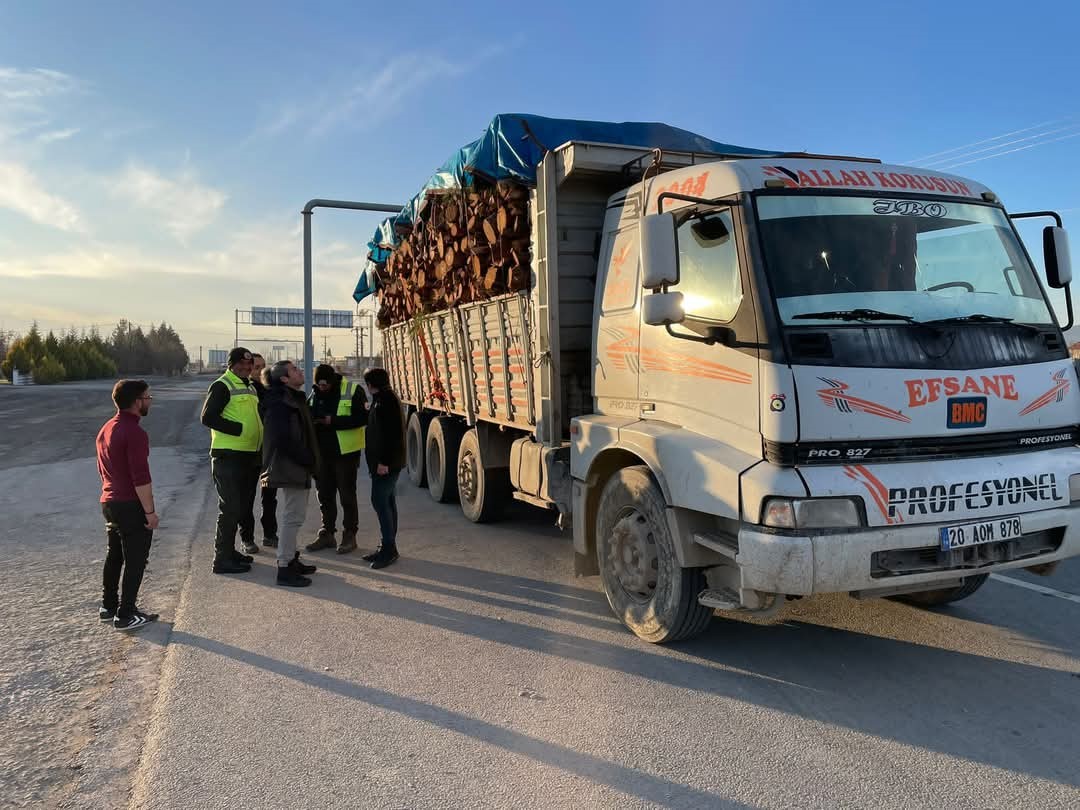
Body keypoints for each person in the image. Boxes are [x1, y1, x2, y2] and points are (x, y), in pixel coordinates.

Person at [96, 379, 160, 631]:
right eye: (147, 397)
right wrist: (150, 513)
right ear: (137, 402)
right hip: (129, 503)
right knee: (135, 559)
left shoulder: (107, 428)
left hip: (109, 501)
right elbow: (141, 478)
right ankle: (126, 614)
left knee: (115, 555)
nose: (150, 401)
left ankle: (108, 606)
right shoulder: (134, 433)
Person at [200, 347, 263, 574]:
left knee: (241, 508)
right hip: (228, 455)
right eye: (242, 365)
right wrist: (239, 430)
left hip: (249, 456)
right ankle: (221, 559)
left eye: (250, 366)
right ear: (231, 365)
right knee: (230, 508)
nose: (246, 368)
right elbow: (207, 417)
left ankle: (230, 551)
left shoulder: (250, 386)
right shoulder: (222, 385)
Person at [260, 360, 321, 587]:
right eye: (294, 369)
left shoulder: (294, 398)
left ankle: (291, 559)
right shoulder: (280, 402)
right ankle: (284, 567)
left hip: (297, 464)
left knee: (295, 516)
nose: (300, 371)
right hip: (290, 466)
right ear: (284, 379)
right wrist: (306, 458)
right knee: (292, 517)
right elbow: (282, 438)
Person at [306, 363, 368, 554]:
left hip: (345, 454)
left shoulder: (353, 390)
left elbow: (363, 418)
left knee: (347, 495)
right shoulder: (314, 393)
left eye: (325, 385)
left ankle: (349, 535)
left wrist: (332, 421)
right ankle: (327, 533)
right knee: (324, 495)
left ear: (332, 380)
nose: (322, 388)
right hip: (322, 454)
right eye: (319, 385)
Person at [360, 367, 405, 569]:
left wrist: (384, 462)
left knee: (379, 500)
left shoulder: (386, 401)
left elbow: (392, 434)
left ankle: (389, 549)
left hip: (387, 463)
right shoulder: (383, 399)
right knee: (386, 500)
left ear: (370, 385)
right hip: (385, 462)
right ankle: (388, 545)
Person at [250, 353, 279, 549]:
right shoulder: (246, 390)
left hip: (268, 450)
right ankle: (247, 538)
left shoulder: (270, 390)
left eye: (262, 366)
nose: (259, 370)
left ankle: (270, 534)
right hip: (250, 450)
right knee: (247, 498)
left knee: (269, 497)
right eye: (255, 367)